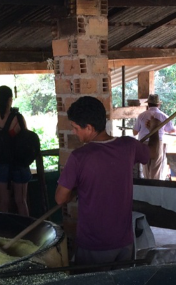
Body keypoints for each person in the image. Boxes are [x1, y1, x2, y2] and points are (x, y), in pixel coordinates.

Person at [55, 96, 150, 266]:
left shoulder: (79, 157)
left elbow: (60, 198)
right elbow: (147, 155)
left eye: (76, 128)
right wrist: (154, 130)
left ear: (89, 128)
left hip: (94, 245)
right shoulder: (129, 146)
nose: (74, 133)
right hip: (124, 243)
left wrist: (74, 191)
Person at [0, 85, 30, 217]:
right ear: (10, 99)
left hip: (0, 164)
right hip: (19, 163)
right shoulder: (18, 118)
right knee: (21, 201)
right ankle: (26, 232)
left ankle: (3, 232)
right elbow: (26, 140)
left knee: (3, 202)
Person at [133, 93, 176, 180]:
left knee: (145, 169)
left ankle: (147, 186)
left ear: (148, 104)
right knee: (156, 169)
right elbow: (171, 130)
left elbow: (135, 132)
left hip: (143, 143)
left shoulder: (141, 116)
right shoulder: (163, 116)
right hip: (157, 143)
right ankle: (154, 187)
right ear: (158, 104)